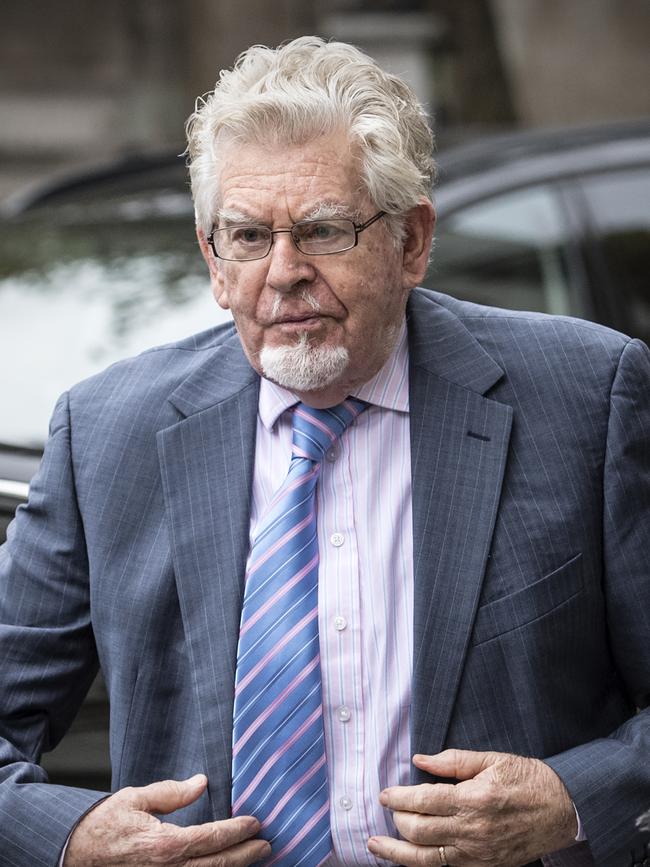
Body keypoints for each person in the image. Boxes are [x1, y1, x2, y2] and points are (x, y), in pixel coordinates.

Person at [0, 36, 648, 867]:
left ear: (412, 242)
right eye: (245, 236)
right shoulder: (104, 434)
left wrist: (572, 799)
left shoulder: (586, 397)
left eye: (324, 231)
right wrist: (71, 836)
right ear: (211, 256)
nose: (283, 272)